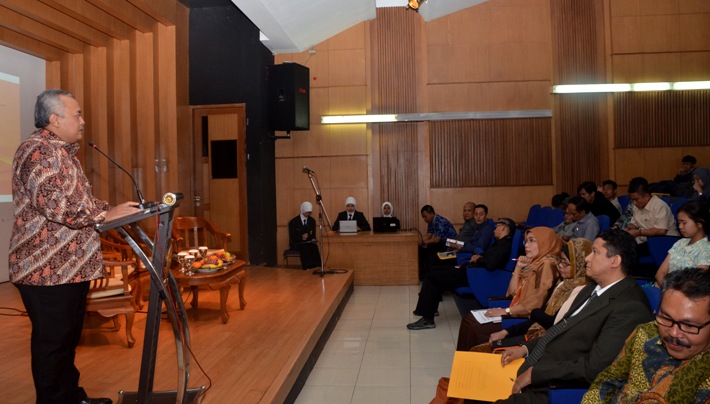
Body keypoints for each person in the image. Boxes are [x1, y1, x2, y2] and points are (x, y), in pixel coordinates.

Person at [9, 89, 142, 404]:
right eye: (77, 114)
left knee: (66, 341)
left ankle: (71, 396)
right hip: (46, 270)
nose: (83, 121)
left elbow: (80, 203)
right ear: (55, 119)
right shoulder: (38, 152)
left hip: (68, 269)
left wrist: (112, 210)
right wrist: (104, 215)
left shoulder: (62, 153)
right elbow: (55, 206)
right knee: (53, 344)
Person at [492, 229, 653, 403]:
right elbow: (560, 330)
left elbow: (595, 368)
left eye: (595, 252)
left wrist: (536, 374)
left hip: (557, 389)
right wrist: (525, 348)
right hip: (536, 367)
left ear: (615, 261)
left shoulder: (630, 307)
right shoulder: (591, 288)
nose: (587, 258)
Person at [582, 268, 710, 403]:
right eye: (666, 318)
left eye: (689, 325)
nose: (673, 333)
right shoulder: (645, 333)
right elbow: (608, 381)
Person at [456, 227, 563, 350]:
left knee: (471, 324)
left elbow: (533, 306)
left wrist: (506, 311)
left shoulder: (547, 265)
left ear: (545, 243)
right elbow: (511, 294)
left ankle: (471, 360)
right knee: (469, 320)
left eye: (532, 241)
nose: (526, 245)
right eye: (526, 241)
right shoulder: (535, 263)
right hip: (516, 311)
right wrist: (518, 268)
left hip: (524, 320)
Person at [407, 218, 516, 330]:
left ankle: (428, 319)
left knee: (432, 277)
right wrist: (479, 257)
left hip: (475, 276)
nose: (494, 229)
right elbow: (489, 258)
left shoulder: (504, 245)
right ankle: (425, 309)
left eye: (497, 227)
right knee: (433, 270)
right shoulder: (499, 243)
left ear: (504, 227)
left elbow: (491, 264)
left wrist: (478, 259)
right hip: (472, 271)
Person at [483, 238, 592, 350]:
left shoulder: (581, 292)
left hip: (548, 344)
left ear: (579, 265)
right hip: (533, 331)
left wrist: (533, 312)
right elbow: (512, 295)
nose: (560, 265)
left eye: (565, 263)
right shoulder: (562, 284)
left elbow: (550, 321)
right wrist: (506, 331)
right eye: (560, 261)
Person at [654, 201, 710, 286]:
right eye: (679, 223)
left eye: (684, 223)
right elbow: (660, 273)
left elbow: (697, 282)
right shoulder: (680, 243)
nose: (680, 226)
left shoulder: (706, 249)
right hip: (665, 287)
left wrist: (670, 291)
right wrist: (664, 288)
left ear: (699, 224)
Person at [624, 176, 680, 255]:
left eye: (636, 199)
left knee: (628, 252)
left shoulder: (659, 206)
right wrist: (626, 229)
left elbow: (661, 231)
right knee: (621, 246)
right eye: (632, 200)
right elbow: (635, 224)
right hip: (648, 240)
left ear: (646, 195)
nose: (634, 202)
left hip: (665, 241)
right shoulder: (636, 206)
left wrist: (638, 232)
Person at [418, 204, 457, 279]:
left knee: (430, 250)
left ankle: (428, 274)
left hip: (450, 244)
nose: (424, 219)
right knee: (423, 249)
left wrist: (424, 242)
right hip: (442, 243)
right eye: (423, 217)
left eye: (425, 216)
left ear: (431, 213)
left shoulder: (439, 221)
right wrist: (420, 241)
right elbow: (429, 235)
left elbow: (437, 239)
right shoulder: (431, 221)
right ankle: (424, 273)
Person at [288, 201, 322, 270]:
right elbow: (292, 236)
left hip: (308, 242)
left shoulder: (312, 221)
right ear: (302, 210)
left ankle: (317, 267)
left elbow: (313, 234)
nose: (308, 214)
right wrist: (301, 237)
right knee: (304, 247)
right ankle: (307, 268)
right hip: (297, 243)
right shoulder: (293, 222)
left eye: (309, 212)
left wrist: (313, 239)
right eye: (307, 212)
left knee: (314, 247)